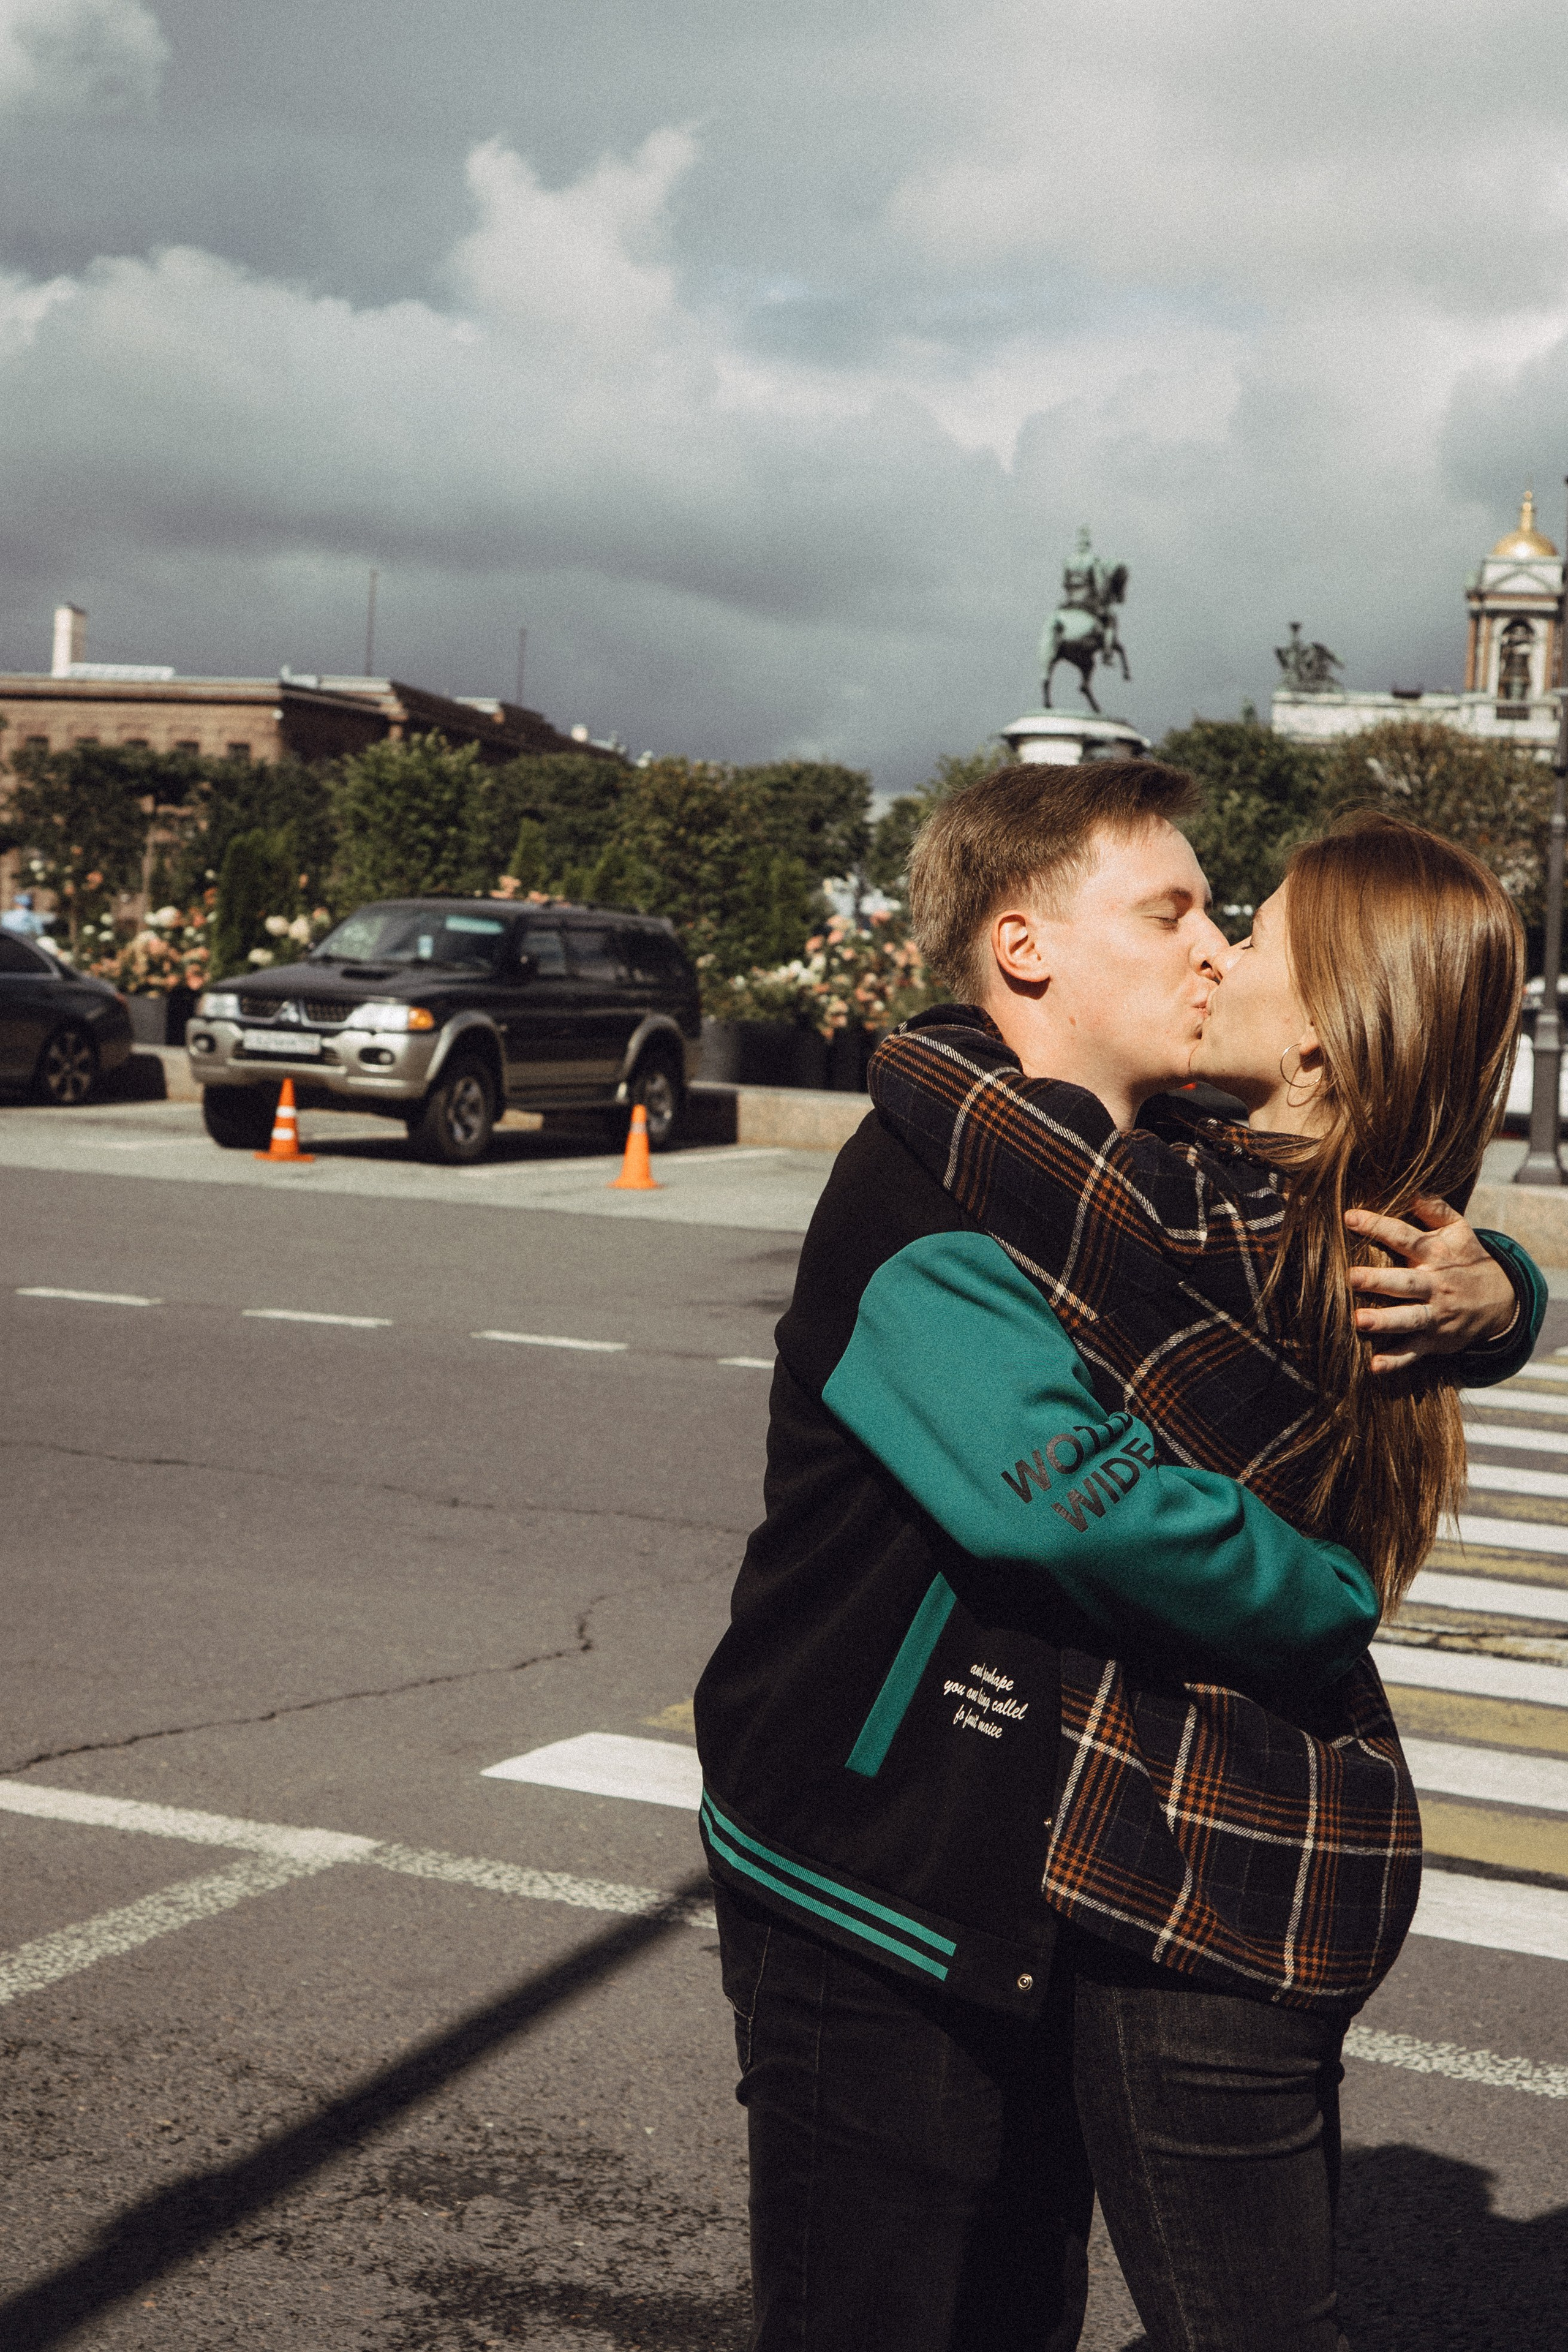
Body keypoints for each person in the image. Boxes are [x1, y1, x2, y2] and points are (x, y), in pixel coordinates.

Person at [693, 760, 1541, 2352]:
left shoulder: (1144, 1171)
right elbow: (1061, 1498)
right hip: (873, 1868)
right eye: (1177, 910)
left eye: (1231, 915)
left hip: (1023, 1880)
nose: (1214, 944)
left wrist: (1502, 1291)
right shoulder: (934, 1186)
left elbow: (1346, 1212)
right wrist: (1324, 1596)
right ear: (1028, 950)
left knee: (1016, 2300)